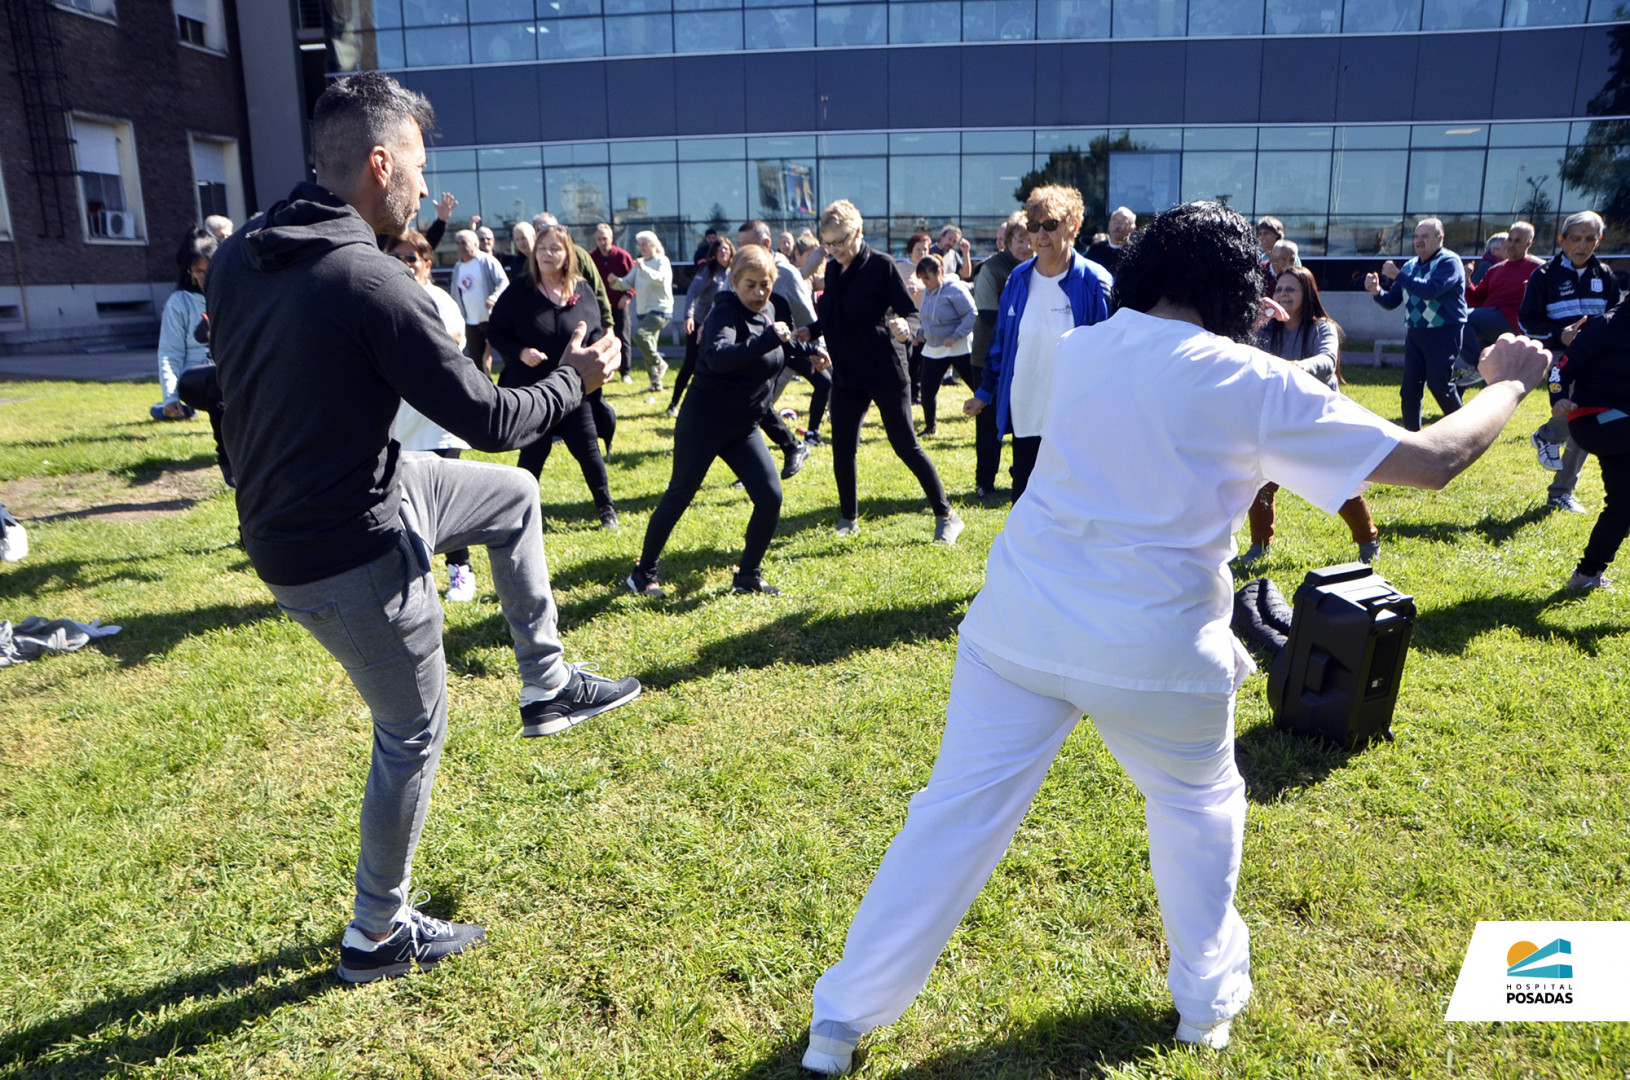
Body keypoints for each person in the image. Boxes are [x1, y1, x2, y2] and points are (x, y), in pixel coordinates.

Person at [799, 201, 1553, 1075]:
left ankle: (841, 1020)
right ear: (1237, 291)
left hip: (1019, 622)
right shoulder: (1249, 380)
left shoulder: (1087, 348)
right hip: (1156, 649)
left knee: (951, 819)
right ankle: (1204, 1008)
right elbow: (1432, 461)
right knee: (1198, 816)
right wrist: (1508, 378)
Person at [205, 71, 639, 983]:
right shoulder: (370, 280)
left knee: (511, 500)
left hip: (340, 493)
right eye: (414, 161)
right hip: (341, 546)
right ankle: (376, 935)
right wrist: (577, 381)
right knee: (410, 731)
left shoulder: (247, 250)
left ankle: (547, 682)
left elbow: (232, 385)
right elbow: (491, 419)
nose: (421, 179)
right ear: (377, 164)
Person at [626, 245, 831, 599]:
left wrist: (809, 353)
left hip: (742, 426)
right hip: (704, 422)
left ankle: (748, 575)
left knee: (770, 497)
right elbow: (720, 358)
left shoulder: (767, 310)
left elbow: (777, 350)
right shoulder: (724, 311)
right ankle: (642, 573)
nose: (759, 293)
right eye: (750, 284)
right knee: (680, 495)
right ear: (734, 281)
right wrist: (770, 338)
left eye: (765, 285)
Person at [803, 199, 963, 544]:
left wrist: (906, 327)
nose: (834, 250)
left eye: (841, 241)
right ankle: (849, 518)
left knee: (905, 444)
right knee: (842, 446)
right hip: (848, 373)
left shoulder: (882, 266)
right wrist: (810, 333)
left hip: (885, 370)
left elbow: (911, 312)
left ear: (858, 232)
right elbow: (830, 315)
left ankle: (947, 515)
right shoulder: (832, 269)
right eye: (827, 243)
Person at [965, 184, 1113, 502]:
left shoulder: (1094, 283)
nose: (1041, 235)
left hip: (1074, 416)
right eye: (1034, 227)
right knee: (1026, 501)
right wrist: (984, 392)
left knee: (1073, 502)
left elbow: (1109, 354)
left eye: (1050, 225)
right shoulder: (1018, 280)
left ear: (1073, 225)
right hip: (1027, 408)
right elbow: (1001, 342)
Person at [1240, 267, 1380, 565]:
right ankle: (1259, 546)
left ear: (1308, 294)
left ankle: (1368, 540)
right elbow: (1245, 354)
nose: (1283, 295)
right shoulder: (1267, 330)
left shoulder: (1323, 327)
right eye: (1279, 290)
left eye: (1291, 289)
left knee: (1340, 483)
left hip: (1318, 418)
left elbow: (1327, 360)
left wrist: (1299, 367)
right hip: (1278, 417)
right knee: (1260, 483)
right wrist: (1254, 323)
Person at [487, 223, 622, 532]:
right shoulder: (520, 290)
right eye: (542, 248)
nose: (547, 254)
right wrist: (520, 352)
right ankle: (518, 515)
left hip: (575, 387)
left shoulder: (582, 289)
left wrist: (601, 359)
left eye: (555, 249)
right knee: (534, 451)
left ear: (568, 255)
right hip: (534, 390)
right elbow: (495, 331)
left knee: (588, 449)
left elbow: (598, 330)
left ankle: (606, 510)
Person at [386, 228, 479, 602]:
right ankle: (414, 573)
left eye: (412, 258)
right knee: (404, 504)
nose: (406, 264)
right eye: (398, 256)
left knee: (446, 501)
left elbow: (454, 341)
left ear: (426, 263)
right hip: (399, 423)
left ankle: (461, 570)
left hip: (440, 422)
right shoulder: (380, 297)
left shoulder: (440, 299)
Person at [1520, 210, 1622, 513]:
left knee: (1586, 420)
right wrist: (1558, 333)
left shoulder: (1605, 276)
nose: (1582, 245)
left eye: (1590, 238)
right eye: (1575, 238)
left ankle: (1560, 488)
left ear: (1599, 240)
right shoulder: (1543, 275)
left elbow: (1617, 318)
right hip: (1561, 358)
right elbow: (1527, 321)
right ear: (1562, 240)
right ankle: (1550, 438)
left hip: (1599, 361)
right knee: (1579, 414)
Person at [1550, 298, 1630, 589]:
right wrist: (1558, 398)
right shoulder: (1605, 326)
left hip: (1624, 425)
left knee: (1624, 504)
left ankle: (1586, 576)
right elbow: (1560, 370)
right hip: (1594, 419)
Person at [1365, 218, 1467, 432]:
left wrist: (1398, 275)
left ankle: (1466, 430)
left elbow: (1430, 290)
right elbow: (1392, 301)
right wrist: (1376, 291)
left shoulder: (1450, 262)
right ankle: (1412, 436)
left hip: (1444, 332)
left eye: (1425, 236)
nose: (1419, 241)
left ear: (1440, 238)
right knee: (1410, 388)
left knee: (1439, 385)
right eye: (1417, 236)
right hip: (1416, 333)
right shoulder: (1411, 265)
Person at [738, 218, 828, 451]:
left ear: (767, 243)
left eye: (747, 245)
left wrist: (816, 350)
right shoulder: (738, 271)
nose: (742, 252)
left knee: (826, 382)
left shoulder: (786, 274)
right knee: (757, 408)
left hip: (789, 349)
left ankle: (810, 434)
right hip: (757, 353)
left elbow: (807, 318)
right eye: (740, 245)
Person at [968, 213, 1031, 497]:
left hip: (1025, 358)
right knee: (990, 423)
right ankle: (985, 482)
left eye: (1030, 241)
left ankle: (1022, 474)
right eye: (1020, 241)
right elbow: (990, 315)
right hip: (989, 358)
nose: (1027, 247)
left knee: (1026, 421)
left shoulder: (1039, 269)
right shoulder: (991, 269)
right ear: (1007, 241)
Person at [1453, 220, 1542, 388]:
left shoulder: (1539, 268)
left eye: (1518, 241)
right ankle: (1455, 405)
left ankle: (1476, 366)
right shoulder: (1496, 268)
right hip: (1488, 320)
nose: (1511, 244)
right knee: (1476, 377)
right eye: (1510, 239)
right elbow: (1477, 298)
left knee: (1462, 317)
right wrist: (1466, 281)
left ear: (1528, 243)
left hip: (1513, 321)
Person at [152, 229, 216, 421]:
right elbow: (170, 354)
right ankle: (178, 407)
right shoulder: (179, 303)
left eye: (209, 270)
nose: (204, 277)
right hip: (196, 380)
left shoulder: (234, 296)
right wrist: (170, 397)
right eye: (198, 271)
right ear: (189, 271)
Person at [912, 253, 977, 437]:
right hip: (934, 349)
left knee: (976, 385)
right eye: (922, 279)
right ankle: (930, 427)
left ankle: (992, 417)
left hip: (958, 347)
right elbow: (926, 317)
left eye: (927, 278)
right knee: (927, 389)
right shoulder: (927, 291)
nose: (925, 283)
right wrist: (921, 334)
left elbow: (972, 315)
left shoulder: (955, 289)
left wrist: (955, 335)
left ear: (939, 272)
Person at [671, 236, 734, 417]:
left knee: (719, 364)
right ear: (714, 253)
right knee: (691, 364)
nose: (723, 253)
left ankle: (714, 406)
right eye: (720, 250)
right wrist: (688, 317)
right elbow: (691, 293)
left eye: (726, 250)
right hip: (699, 322)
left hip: (720, 325)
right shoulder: (708, 271)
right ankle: (674, 403)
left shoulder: (733, 272)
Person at [610, 230, 673, 393]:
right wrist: (615, 282)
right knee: (648, 347)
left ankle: (659, 363)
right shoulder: (639, 264)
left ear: (654, 245)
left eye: (644, 244)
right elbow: (627, 283)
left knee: (640, 335)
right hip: (643, 310)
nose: (641, 247)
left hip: (660, 309)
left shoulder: (662, 261)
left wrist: (644, 268)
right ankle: (656, 385)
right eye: (640, 244)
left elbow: (661, 280)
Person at [452, 227, 508, 375]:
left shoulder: (487, 261)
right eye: (457, 243)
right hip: (471, 322)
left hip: (492, 319)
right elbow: (455, 294)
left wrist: (494, 297)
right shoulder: (458, 268)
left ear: (475, 245)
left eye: (464, 243)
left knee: (507, 355)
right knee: (476, 363)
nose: (460, 247)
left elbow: (504, 282)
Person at [590, 222, 637, 383]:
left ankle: (626, 372)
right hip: (599, 307)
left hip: (619, 304)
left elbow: (633, 280)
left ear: (611, 238)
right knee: (601, 338)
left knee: (623, 336)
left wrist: (628, 295)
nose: (602, 242)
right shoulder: (592, 257)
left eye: (604, 238)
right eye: (599, 239)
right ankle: (606, 370)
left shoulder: (623, 256)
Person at [1086, 205, 1136, 277]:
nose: (1117, 226)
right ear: (1109, 224)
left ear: (1133, 228)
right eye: (1115, 222)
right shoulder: (1096, 249)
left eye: (1122, 222)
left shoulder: (1135, 253)